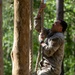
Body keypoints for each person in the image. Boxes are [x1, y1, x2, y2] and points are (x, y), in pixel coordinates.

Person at [34, 3, 67, 75]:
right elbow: (38, 28)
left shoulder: (58, 37)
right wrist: (39, 12)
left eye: (56, 24)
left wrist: (41, 42)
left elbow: (49, 52)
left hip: (51, 70)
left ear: (60, 28)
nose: (53, 24)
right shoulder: (51, 33)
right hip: (44, 67)